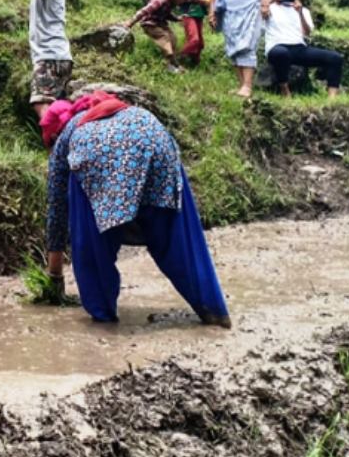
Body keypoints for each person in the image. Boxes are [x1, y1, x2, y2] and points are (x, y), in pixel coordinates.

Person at [41, 92, 231, 327]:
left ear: (53, 135)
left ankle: (103, 319)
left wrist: (55, 277)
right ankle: (214, 312)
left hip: (98, 152)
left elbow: (57, 211)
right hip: (153, 135)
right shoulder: (121, 110)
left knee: (92, 242)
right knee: (178, 236)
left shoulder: (66, 137)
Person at [0, 0, 74, 118]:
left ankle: (53, 142)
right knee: (56, 106)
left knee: (41, 103)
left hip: (50, 57)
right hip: (58, 56)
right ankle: (65, 140)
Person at [264, 0, 343, 99]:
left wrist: (300, 12)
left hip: (298, 47)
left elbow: (306, 33)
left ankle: (332, 97)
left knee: (335, 58)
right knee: (282, 54)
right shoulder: (270, 8)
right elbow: (257, 19)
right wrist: (269, 2)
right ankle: (285, 90)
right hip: (276, 46)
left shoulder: (303, 10)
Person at [126, 0, 195, 73]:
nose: (185, 0)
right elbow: (144, 11)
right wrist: (130, 23)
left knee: (173, 38)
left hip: (160, 23)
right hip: (149, 23)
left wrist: (177, 18)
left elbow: (167, 14)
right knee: (165, 38)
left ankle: (169, 64)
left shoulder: (171, 2)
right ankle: (175, 64)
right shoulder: (160, 0)